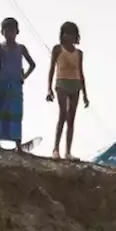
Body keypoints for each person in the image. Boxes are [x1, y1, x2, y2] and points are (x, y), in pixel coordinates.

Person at [0, 17, 36, 150]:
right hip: (2, 84)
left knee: (16, 113)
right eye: (7, 30)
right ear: (2, 32)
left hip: (16, 86)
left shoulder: (21, 48)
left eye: (12, 30)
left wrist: (23, 76)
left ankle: (17, 144)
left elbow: (32, 64)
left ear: (17, 32)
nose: (10, 33)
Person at [46, 21, 90, 159]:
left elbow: (81, 73)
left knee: (71, 118)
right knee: (63, 114)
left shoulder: (79, 53)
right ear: (62, 35)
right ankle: (56, 148)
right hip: (61, 83)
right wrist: (49, 89)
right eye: (66, 33)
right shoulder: (57, 49)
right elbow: (52, 69)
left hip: (75, 84)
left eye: (72, 34)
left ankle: (68, 152)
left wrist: (85, 94)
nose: (69, 36)